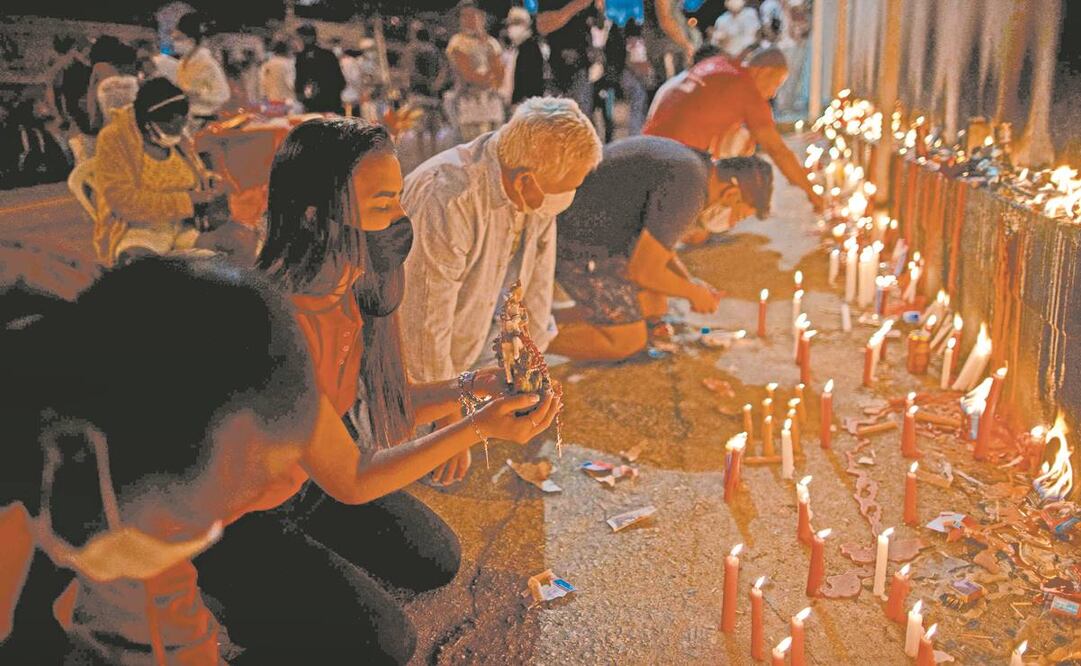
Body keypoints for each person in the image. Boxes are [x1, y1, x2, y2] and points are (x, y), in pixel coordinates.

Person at [248, 117, 560, 661]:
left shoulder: (352, 287)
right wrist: (475, 429)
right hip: (242, 515)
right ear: (315, 215)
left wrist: (479, 386)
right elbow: (352, 478)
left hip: (307, 483)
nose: (400, 220)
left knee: (434, 559)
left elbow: (391, 406)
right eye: (382, 205)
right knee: (383, 644)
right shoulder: (281, 323)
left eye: (397, 202)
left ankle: (307, 570)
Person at [0, 257, 327, 664]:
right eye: (184, 519)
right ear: (77, 452)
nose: (207, 535)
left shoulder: (112, 369)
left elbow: (167, 626)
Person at [400, 96, 601, 386]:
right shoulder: (446, 199)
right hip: (421, 375)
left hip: (479, 342)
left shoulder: (534, 185)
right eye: (567, 189)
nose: (569, 199)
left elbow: (537, 288)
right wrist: (446, 406)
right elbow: (422, 330)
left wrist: (530, 365)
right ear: (524, 182)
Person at [547, 137, 773, 360]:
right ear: (731, 194)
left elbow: (657, 245)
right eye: (738, 215)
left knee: (653, 304)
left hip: (593, 231)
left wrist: (688, 282)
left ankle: (546, 319)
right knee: (627, 340)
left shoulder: (697, 168)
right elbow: (644, 271)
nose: (731, 224)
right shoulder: (689, 190)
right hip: (576, 243)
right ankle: (527, 341)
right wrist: (693, 293)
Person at [94, 78, 255, 266]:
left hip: (184, 227)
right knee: (139, 266)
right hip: (139, 231)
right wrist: (188, 201)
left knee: (241, 241)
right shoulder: (115, 139)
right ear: (148, 123)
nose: (179, 129)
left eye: (183, 122)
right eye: (171, 124)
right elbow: (123, 201)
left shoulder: (179, 139)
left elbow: (196, 175)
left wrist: (212, 183)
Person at [643, 47, 823, 213]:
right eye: (775, 84)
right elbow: (778, 151)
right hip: (673, 165)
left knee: (741, 134)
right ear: (763, 71)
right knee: (745, 145)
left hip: (645, 147)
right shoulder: (748, 92)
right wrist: (812, 194)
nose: (773, 94)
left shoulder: (718, 63)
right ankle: (697, 214)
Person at [445, 1, 505, 142]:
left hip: (491, 103)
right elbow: (468, 75)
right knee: (472, 151)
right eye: (464, 16)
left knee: (492, 149)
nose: (468, 20)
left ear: (482, 17)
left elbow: (499, 75)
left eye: (473, 15)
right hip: (469, 103)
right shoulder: (457, 42)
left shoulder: (492, 43)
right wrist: (488, 78)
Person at [537, 0, 598, 116]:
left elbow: (596, 24)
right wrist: (576, 6)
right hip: (556, 68)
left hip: (581, 66)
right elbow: (542, 26)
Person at [173, 12, 230, 121]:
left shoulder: (207, 63)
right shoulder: (182, 63)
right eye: (174, 39)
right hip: (186, 118)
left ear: (192, 40)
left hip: (205, 119)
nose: (175, 43)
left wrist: (198, 95)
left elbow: (223, 95)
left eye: (179, 39)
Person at [294, 23, 346, 113]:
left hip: (315, 105)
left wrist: (304, 97)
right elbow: (341, 81)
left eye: (300, 37)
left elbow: (300, 83)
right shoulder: (329, 54)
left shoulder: (302, 58)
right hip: (331, 103)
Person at [500, 7, 545, 107]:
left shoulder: (530, 47)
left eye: (517, 23)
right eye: (510, 23)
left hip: (526, 103)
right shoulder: (515, 48)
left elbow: (531, 78)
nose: (511, 27)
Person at [260, 38, 297, 108]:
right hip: (287, 102)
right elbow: (291, 84)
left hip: (271, 101)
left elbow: (262, 83)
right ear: (288, 50)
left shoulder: (267, 64)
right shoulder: (289, 64)